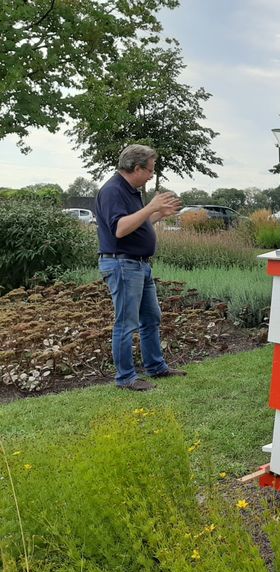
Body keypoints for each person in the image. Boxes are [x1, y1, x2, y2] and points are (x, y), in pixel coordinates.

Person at [95, 144, 187, 391]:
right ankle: (125, 378)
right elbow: (120, 228)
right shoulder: (113, 190)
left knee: (151, 318)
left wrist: (158, 214)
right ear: (136, 168)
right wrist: (150, 207)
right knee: (126, 322)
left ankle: (156, 367)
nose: (151, 176)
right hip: (122, 264)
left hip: (139, 265)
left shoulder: (130, 191)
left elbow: (137, 223)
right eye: (149, 170)